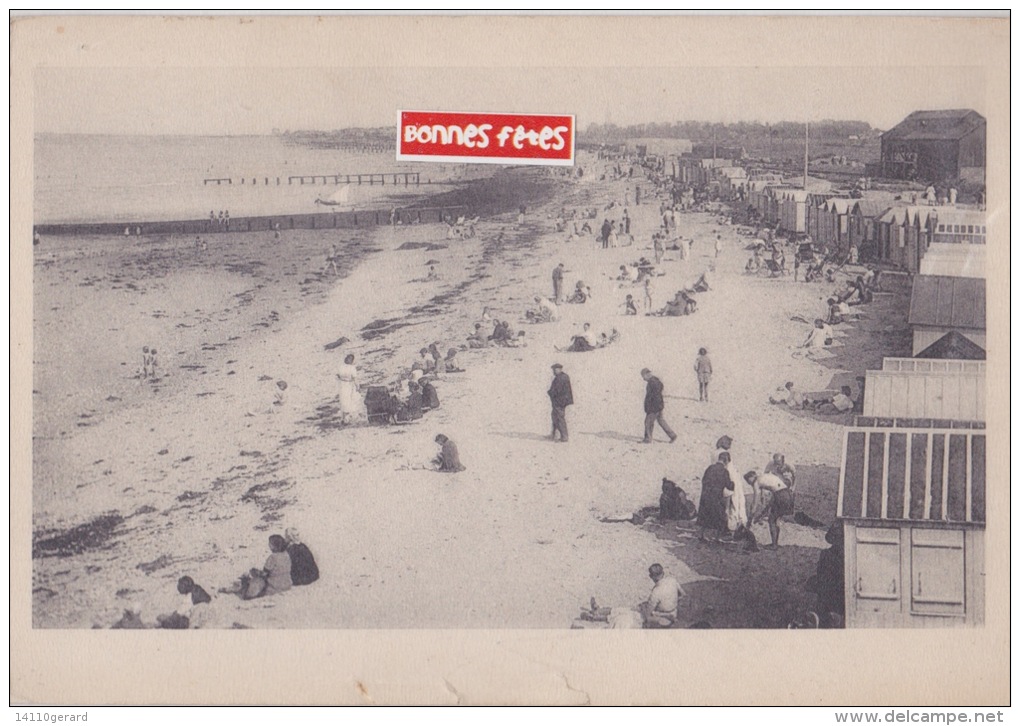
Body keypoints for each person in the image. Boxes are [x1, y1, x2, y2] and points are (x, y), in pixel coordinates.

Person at [746, 470, 794, 549]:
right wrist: (762, 513)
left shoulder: (756, 482)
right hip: (787, 494)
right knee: (776, 519)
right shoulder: (764, 476)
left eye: (749, 481)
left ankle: (774, 545)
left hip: (780, 495)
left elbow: (755, 503)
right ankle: (775, 543)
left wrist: (750, 517)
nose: (750, 484)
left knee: (771, 520)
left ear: (752, 477)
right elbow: (773, 496)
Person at [698, 452, 735, 542]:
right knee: (720, 517)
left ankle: (701, 535)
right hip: (716, 497)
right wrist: (733, 483)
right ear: (726, 461)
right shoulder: (724, 471)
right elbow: (729, 485)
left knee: (705, 515)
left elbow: (703, 480)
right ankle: (717, 538)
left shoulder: (709, 468)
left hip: (705, 496)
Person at [639, 563, 685, 628]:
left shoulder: (656, 592)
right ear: (663, 573)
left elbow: (648, 612)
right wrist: (672, 601)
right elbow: (683, 594)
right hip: (674, 612)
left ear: (652, 576)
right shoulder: (673, 580)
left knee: (643, 617)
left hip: (663, 618)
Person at [641, 368, 677, 444]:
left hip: (653, 407)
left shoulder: (652, 383)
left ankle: (648, 439)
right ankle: (672, 435)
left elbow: (651, 397)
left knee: (648, 422)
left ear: (647, 375)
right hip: (659, 405)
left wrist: (649, 408)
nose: (643, 378)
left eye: (643, 376)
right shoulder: (657, 381)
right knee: (661, 421)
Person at [548, 363, 573, 443]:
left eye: (555, 369)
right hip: (559, 401)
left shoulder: (561, 378)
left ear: (559, 369)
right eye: (553, 370)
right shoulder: (561, 377)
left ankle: (564, 436)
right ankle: (555, 434)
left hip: (560, 402)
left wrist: (550, 392)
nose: (553, 371)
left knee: (559, 418)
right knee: (555, 417)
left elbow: (557, 391)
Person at [337, 354, 360, 425]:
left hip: (342, 384)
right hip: (349, 385)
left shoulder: (341, 367)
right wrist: (357, 386)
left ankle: (344, 418)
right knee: (350, 400)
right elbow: (355, 378)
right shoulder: (352, 368)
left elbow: (338, 375)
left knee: (343, 400)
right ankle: (348, 419)